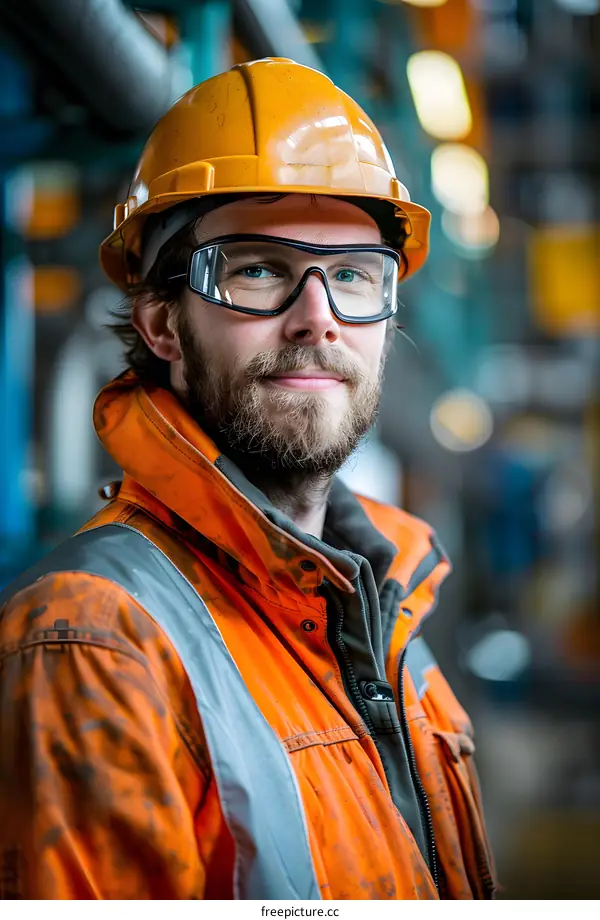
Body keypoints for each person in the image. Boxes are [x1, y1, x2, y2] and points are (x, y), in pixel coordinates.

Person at [0, 58, 495, 901]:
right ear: (163, 322)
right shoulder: (94, 641)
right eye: (258, 269)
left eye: (352, 275)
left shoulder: (390, 609)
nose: (319, 316)